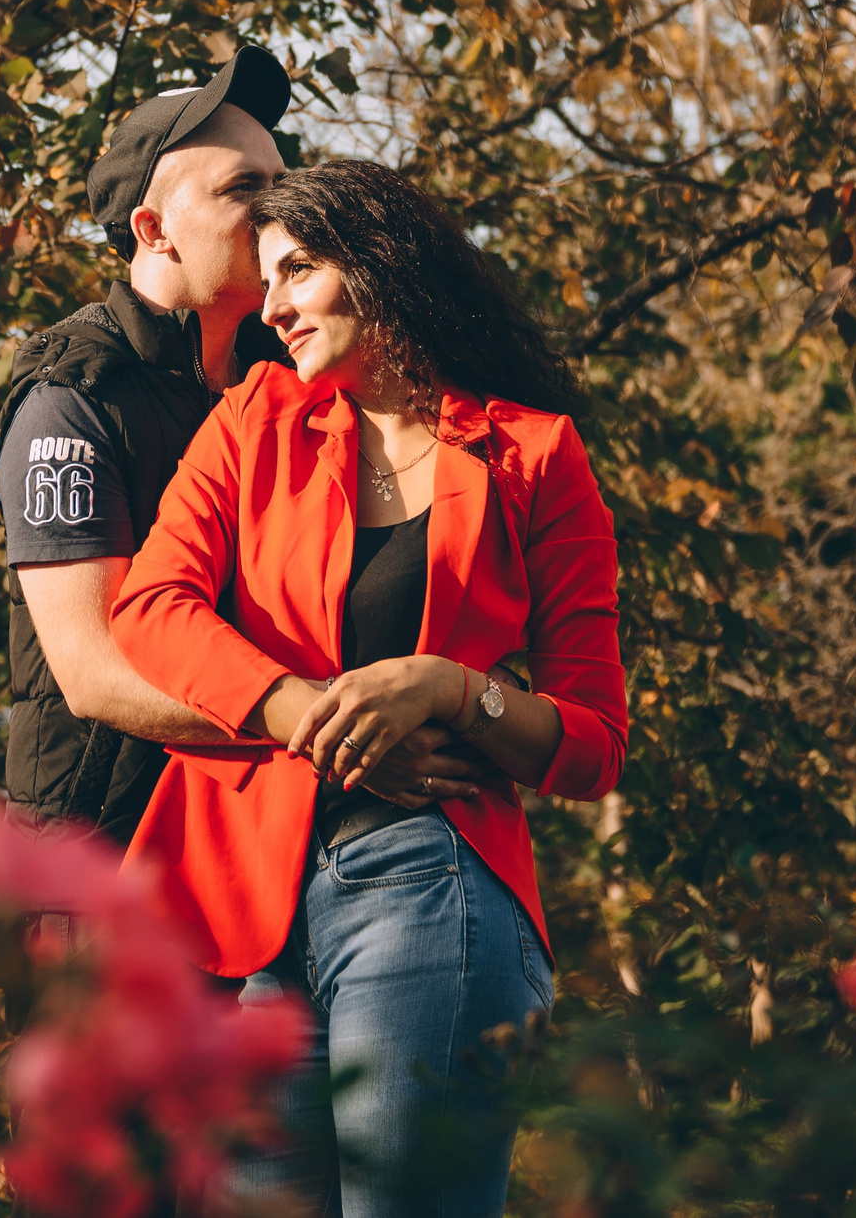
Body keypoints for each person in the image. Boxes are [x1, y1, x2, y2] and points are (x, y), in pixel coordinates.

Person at [109, 159, 628, 1218]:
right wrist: (304, 713)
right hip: (247, 916)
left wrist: (449, 686)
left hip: (429, 885)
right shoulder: (257, 417)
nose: (274, 308)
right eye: (262, 282)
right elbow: (150, 606)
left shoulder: (536, 455)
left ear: (381, 264)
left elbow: (593, 740)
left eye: (296, 271)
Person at [0, 52, 499, 845]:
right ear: (152, 229)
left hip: (256, 855)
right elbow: (92, 675)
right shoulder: (73, 397)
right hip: (97, 862)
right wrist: (333, 733)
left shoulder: (301, 380)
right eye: (244, 190)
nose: (279, 211)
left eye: (281, 181)